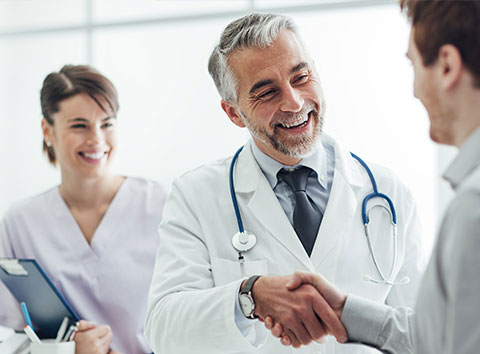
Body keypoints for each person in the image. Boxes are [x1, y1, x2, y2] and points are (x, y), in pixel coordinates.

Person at [266, 0, 480, 353]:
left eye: (413, 64)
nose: (414, 89)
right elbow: (455, 333)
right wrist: (345, 312)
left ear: (446, 66)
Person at [144, 13, 423, 354]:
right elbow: (162, 328)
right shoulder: (196, 196)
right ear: (233, 112)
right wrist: (249, 295)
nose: (293, 102)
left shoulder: (387, 192)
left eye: (301, 77)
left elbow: (420, 331)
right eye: (266, 92)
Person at [0, 64, 169, 354]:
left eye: (107, 124)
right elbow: (14, 336)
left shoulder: (160, 204)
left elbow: (191, 315)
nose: (96, 140)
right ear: (47, 130)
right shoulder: (20, 222)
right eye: (79, 125)